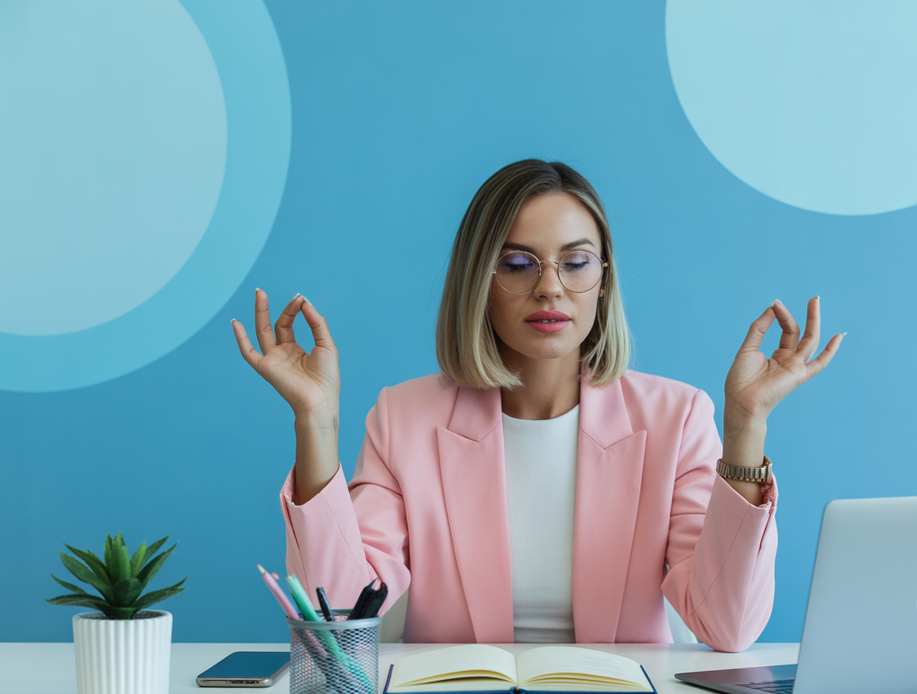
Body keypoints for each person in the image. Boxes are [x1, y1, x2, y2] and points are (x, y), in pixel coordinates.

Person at [232, 160, 842, 651]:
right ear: (479, 281)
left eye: (575, 262)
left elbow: (727, 627)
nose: (550, 287)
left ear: (603, 280)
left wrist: (746, 427)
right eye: (518, 264)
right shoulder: (403, 418)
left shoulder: (676, 419)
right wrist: (315, 420)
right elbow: (336, 616)